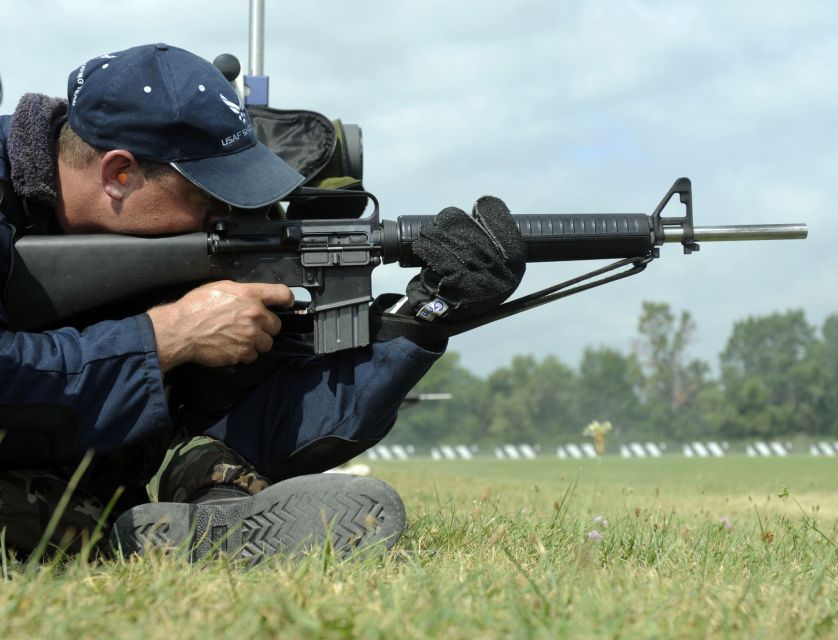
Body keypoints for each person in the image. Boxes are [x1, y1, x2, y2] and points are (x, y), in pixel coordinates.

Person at [0, 44, 526, 562]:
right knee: (59, 519)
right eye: (210, 198)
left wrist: (428, 313)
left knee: (210, 461)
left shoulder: (150, 242)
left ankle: (197, 517)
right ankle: (126, 536)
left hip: (82, 469)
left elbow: (278, 410)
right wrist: (169, 336)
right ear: (120, 174)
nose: (225, 217)